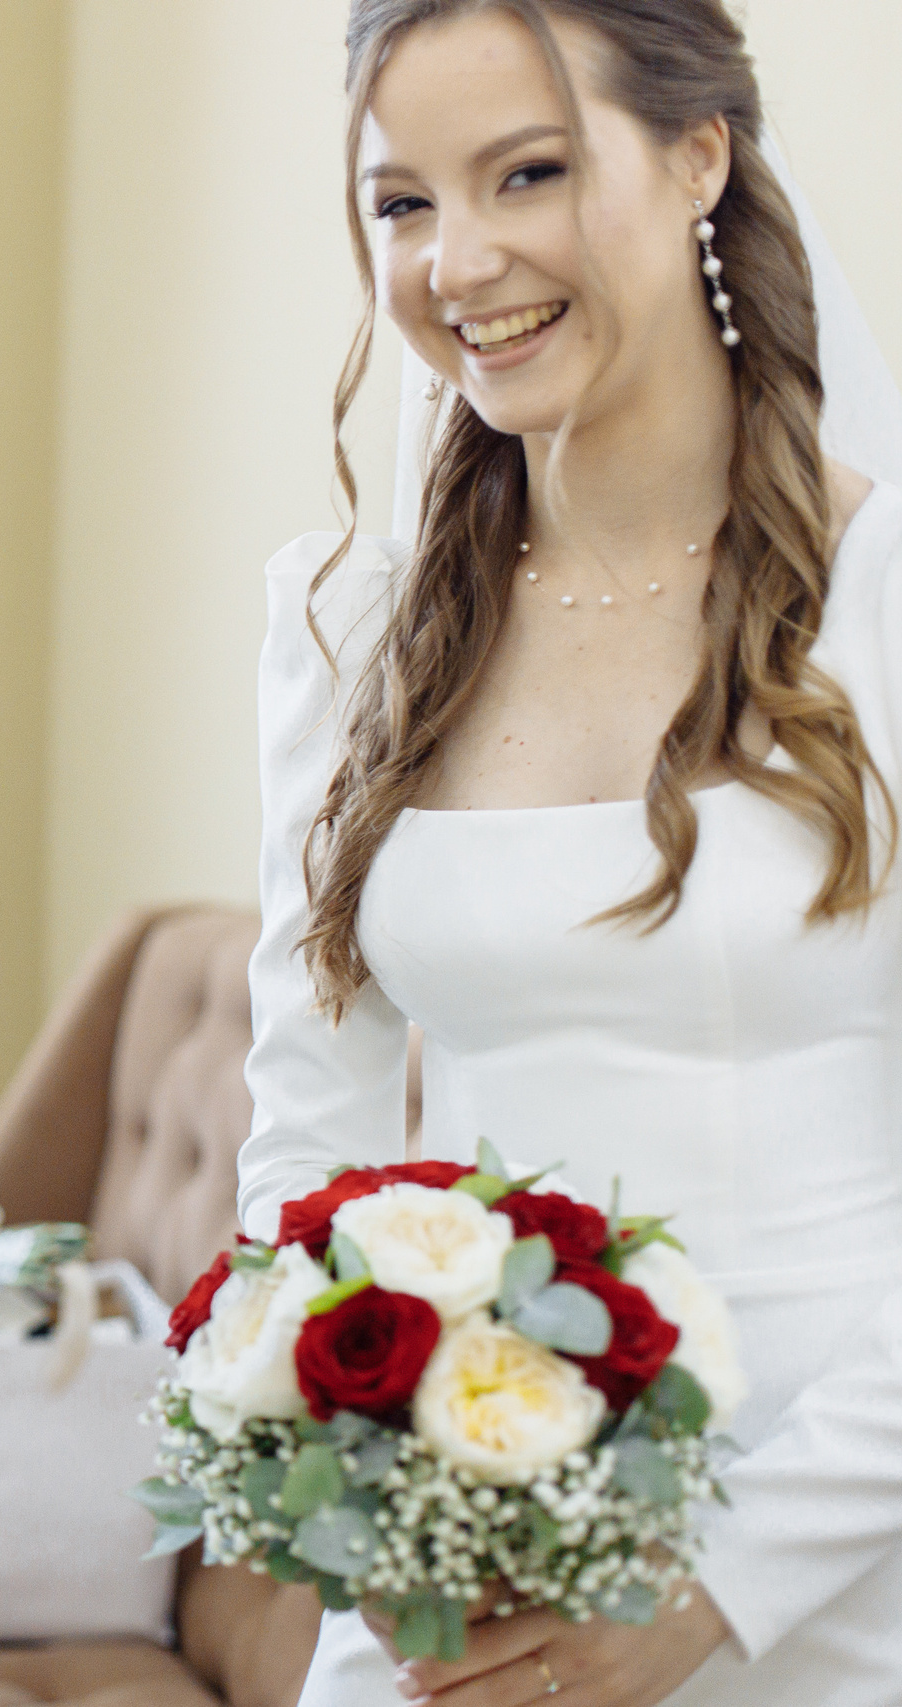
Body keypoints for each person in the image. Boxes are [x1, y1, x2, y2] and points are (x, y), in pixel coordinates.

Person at [241, 3, 902, 1704]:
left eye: (526, 173)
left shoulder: (889, 603)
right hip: (468, 1585)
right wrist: (366, 1511)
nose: (458, 260)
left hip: (838, 1567)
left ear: (699, 157)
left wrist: (702, 1600)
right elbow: (304, 1147)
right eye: (402, 203)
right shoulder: (346, 627)